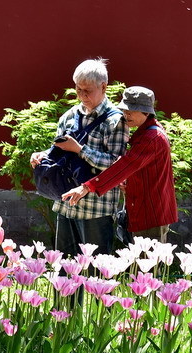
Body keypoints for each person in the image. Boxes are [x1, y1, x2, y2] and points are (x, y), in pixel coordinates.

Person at [29, 58, 127, 258]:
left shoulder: (116, 120)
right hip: (65, 203)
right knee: (64, 270)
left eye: (87, 91)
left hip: (96, 209)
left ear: (103, 87)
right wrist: (43, 155)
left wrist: (81, 150)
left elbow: (117, 166)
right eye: (78, 89)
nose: (82, 96)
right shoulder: (69, 116)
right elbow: (59, 151)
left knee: (96, 271)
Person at [61, 86, 177, 242]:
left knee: (147, 258)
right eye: (124, 110)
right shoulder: (146, 132)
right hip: (142, 210)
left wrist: (87, 187)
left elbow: (125, 166)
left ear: (146, 112)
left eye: (131, 111)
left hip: (150, 215)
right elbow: (139, 169)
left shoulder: (152, 137)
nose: (126, 115)